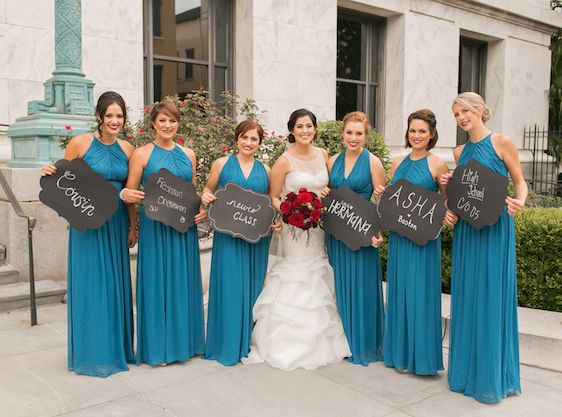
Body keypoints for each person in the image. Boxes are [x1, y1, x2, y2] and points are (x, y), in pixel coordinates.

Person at [243, 109, 351, 370]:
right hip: (294, 228)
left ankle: (322, 338)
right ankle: (283, 341)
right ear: (292, 130)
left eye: (309, 126)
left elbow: (330, 188)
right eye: (300, 127)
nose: (305, 131)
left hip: (318, 227)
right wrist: (290, 213)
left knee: (318, 270)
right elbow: (273, 196)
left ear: (315, 129)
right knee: (296, 271)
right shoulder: (284, 161)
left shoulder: (323, 155)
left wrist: (325, 193)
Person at [40, 91, 135, 377]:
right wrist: (47, 171)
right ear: (99, 116)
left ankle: (115, 350)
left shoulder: (129, 149)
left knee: (115, 286)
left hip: (116, 223)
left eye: (119, 116)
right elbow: (63, 181)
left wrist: (132, 226)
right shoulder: (79, 143)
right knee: (91, 285)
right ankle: (91, 353)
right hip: (88, 227)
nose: (115, 121)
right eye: (110, 116)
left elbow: (129, 192)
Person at [441, 92, 526, 402]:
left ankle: (491, 376)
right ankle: (465, 373)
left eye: (465, 110)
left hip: (495, 228)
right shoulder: (459, 150)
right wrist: (448, 200)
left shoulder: (502, 142)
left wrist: (521, 201)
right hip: (467, 231)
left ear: (480, 110)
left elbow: (520, 180)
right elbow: (459, 195)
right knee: (467, 295)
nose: (461, 117)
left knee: (491, 295)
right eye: (456, 113)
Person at [121, 99, 206, 366]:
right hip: (155, 227)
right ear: (154, 124)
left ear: (178, 123)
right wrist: (133, 226)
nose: (168, 125)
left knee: (182, 283)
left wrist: (201, 209)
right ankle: (158, 348)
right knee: (156, 283)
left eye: (172, 120)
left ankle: (184, 344)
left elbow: (191, 193)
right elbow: (130, 194)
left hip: (182, 230)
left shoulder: (189, 154)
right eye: (163, 121)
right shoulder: (142, 154)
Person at [376, 109, 456, 376]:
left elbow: (446, 202)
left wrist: (447, 209)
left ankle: (423, 359)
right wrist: (381, 194)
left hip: (423, 241)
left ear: (431, 134)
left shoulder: (438, 164)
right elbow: (391, 200)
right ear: (407, 133)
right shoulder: (397, 163)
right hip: (400, 238)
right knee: (400, 291)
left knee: (421, 293)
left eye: (422, 131)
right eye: (413, 130)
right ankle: (398, 354)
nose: (417, 135)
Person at [202, 120, 279, 366]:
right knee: (229, 286)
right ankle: (225, 343)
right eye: (244, 137)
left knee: (252, 288)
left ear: (259, 143)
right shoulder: (222, 164)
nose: (248, 143)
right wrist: (205, 195)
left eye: (253, 139)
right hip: (228, 237)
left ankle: (247, 342)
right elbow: (207, 190)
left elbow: (269, 203)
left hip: (256, 241)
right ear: (236, 139)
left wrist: (275, 222)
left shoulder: (266, 171)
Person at [324, 111, 385, 366]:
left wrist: (378, 232)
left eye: (359, 133)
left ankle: (365, 343)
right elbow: (329, 194)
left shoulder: (373, 163)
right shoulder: (333, 161)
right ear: (342, 133)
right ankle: (343, 342)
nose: (353, 138)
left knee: (361, 286)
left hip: (362, 235)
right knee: (339, 285)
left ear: (366, 135)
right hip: (337, 234)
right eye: (349, 132)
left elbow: (381, 202)